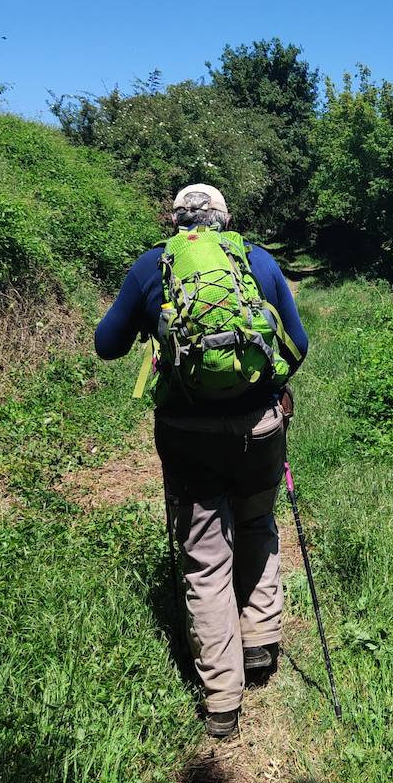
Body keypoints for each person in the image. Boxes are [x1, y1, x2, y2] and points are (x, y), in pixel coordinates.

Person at [94, 183, 309, 739]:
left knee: (206, 557)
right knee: (258, 522)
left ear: (174, 221)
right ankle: (260, 644)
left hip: (187, 433)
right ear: (225, 218)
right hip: (261, 428)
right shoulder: (257, 261)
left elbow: (107, 345)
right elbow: (298, 344)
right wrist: (271, 384)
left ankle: (221, 701)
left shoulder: (153, 267)